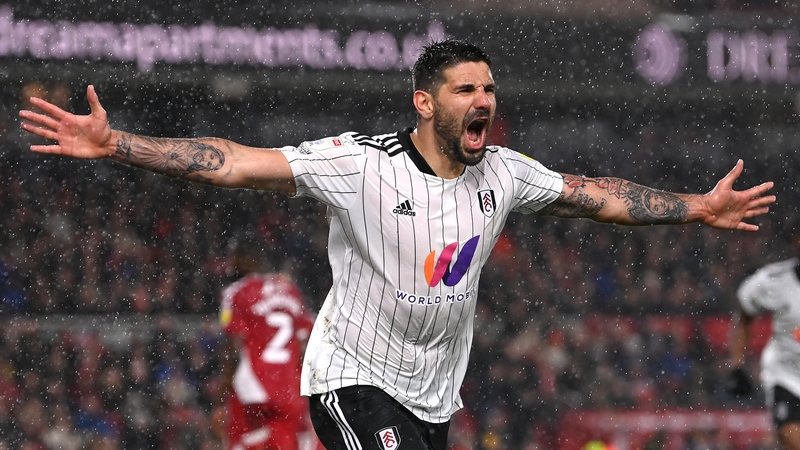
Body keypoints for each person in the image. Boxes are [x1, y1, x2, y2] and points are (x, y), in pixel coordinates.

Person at [19, 39, 775, 450]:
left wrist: (694, 208)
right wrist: (117, 143)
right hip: (351, 380)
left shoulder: (504, 174)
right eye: (465, 90)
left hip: (434, 400)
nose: (484, 102)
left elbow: (599, 196)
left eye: (488, 89)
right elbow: (236, 162)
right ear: (424, 102)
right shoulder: (358, 163)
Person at [213, 240, 321, 450]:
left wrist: (221, 397)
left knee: (240, 441)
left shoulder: (236, 292)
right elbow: (308, 339)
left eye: (233, 258)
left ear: (244, 259)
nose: (229, 264)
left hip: (252, 391)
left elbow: (234, 344)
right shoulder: (289, 290)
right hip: (290, 391)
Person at [729, 226, 800, 450]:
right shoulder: (774, 281)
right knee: (791, 437)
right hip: (786, 376)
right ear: (796, 242)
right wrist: (737, 364)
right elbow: (745, 311)